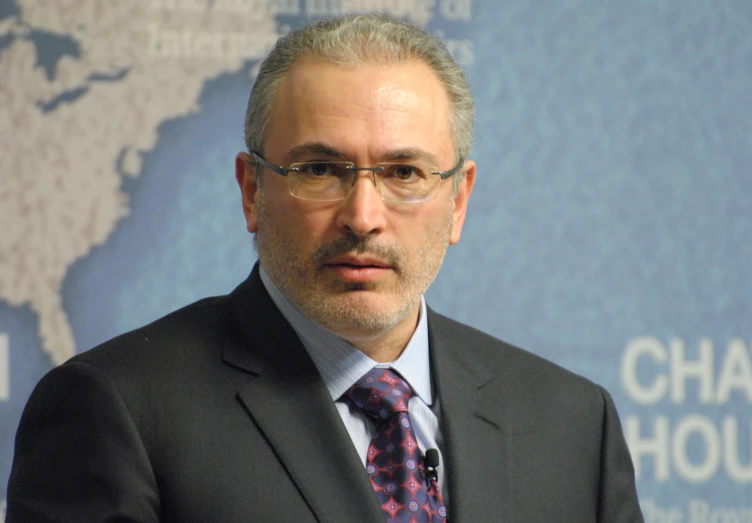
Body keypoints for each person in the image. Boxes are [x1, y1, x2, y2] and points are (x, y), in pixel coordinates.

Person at [7, 14, 644, 523]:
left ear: (459, 200)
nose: (363, 215)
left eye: (403, 173)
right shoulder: (116, 411)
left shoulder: (572, 425)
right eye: (319, 170)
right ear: (253, 191)